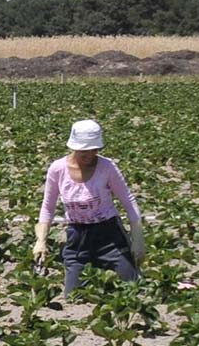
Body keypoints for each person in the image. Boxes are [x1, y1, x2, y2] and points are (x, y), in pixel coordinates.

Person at [32, 118, 144, 293]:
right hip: (78, 237)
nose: (89, 154)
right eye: (84, 150)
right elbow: (47, 207)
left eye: (94, 149)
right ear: (73, 146)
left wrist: (137, 238)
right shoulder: (58, 169)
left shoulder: (107, 167)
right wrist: (41, 241)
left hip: (109, 235)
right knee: (73, 295)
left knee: (132, 288)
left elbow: (128, 201)